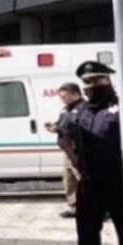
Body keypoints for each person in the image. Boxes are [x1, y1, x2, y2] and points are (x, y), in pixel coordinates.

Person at [60, 61, 123, 245]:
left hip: (118, 179)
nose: (90, 87)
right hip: (90, 179)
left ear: (107, 81)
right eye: (87, 83)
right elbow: (64, 136)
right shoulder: (81, 110)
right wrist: (75, 161)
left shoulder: (118, 108)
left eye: (96, 81)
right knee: (86, 226)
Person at [45, 82, 85, 218]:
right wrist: (54, 126)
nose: (62, 99)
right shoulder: (65, 109)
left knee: (85, 180)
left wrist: (60, 129)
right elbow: (61, 123)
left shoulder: (83, 109)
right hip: (67, 150)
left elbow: (80, 128)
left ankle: (99, 209)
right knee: (69, 181)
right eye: (61, 97)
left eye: (65, 97)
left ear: (76, 94)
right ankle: (75, 208)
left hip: (78, 151)